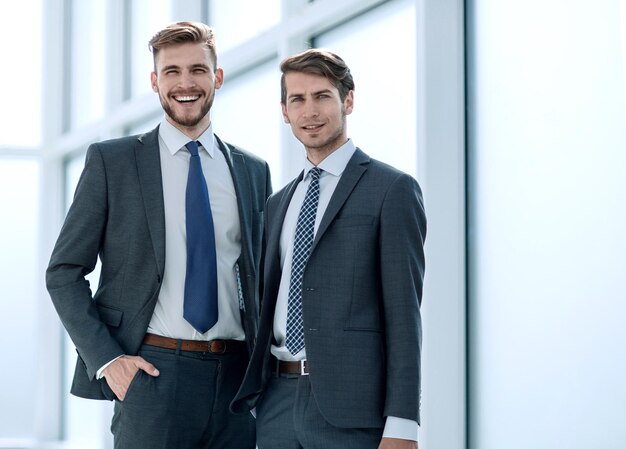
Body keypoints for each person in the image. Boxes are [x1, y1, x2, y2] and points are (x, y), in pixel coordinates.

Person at [46, 21, 271, 449]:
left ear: (217, 77)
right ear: (154, 81)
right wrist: (108, 360)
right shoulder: (113, 162)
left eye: (198, 70)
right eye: (171, 72)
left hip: (236, 384)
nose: (185, 83)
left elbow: (258, 278)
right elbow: (63, 271)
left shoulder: (251, 171)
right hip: (153, 375)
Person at [231, 48, 426, 449]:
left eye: (322, 96)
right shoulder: (278, 203)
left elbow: (405, 317)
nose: (310, 111)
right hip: (277, 404)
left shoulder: (391, 190)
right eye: (297, 100)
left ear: (347, 99)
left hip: (353, 412)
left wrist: (403, 424)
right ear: (284, 111)